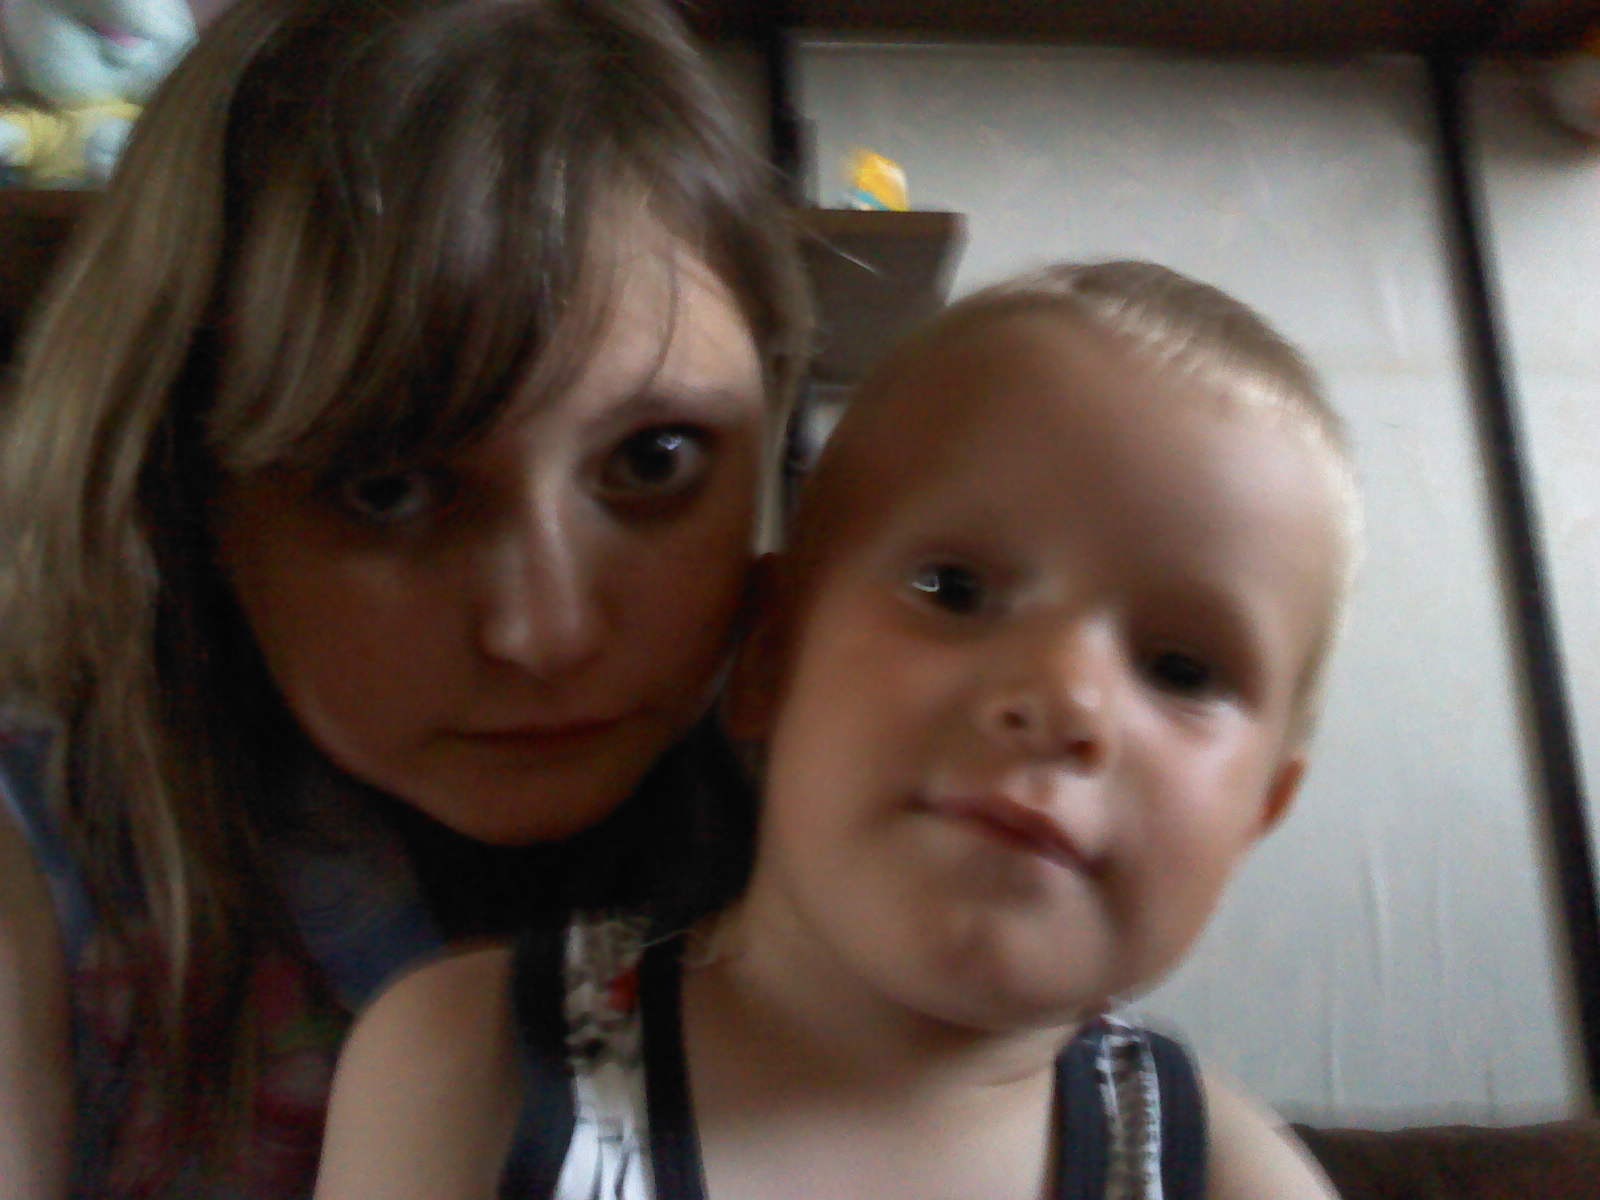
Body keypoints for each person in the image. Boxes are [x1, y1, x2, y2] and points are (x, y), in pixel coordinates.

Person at [313, 260, 1359, 1199]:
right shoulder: (473, 1065)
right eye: (953, 590)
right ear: (771, 657)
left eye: (1180, 670)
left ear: (1257, 814)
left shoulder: (1226, 1176)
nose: (1067, 699)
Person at [0, 0, 809, 1195]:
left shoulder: (879, 827)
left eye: (654, 462)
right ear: (186, 489)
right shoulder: (52, 880)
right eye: (388, 489)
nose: (546, 631)